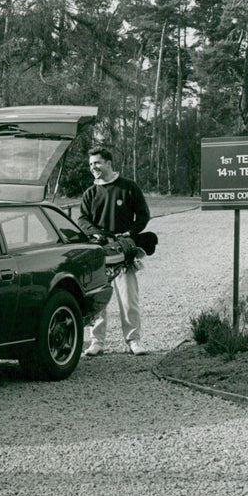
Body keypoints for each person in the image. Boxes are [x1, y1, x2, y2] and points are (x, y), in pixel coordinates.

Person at [78, 147, 150, 356]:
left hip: (124, 253)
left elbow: (143, 216)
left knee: (129, 299)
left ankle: (134, 341)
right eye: (91, 164)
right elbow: (82, 220)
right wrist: (96, 233)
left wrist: (130, 233)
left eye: (97, 163)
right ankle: (97, 342)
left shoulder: (128, 187)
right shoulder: (90, 193)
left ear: (109, 163)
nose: (94, 168)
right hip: (100, 254)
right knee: (98, 299)